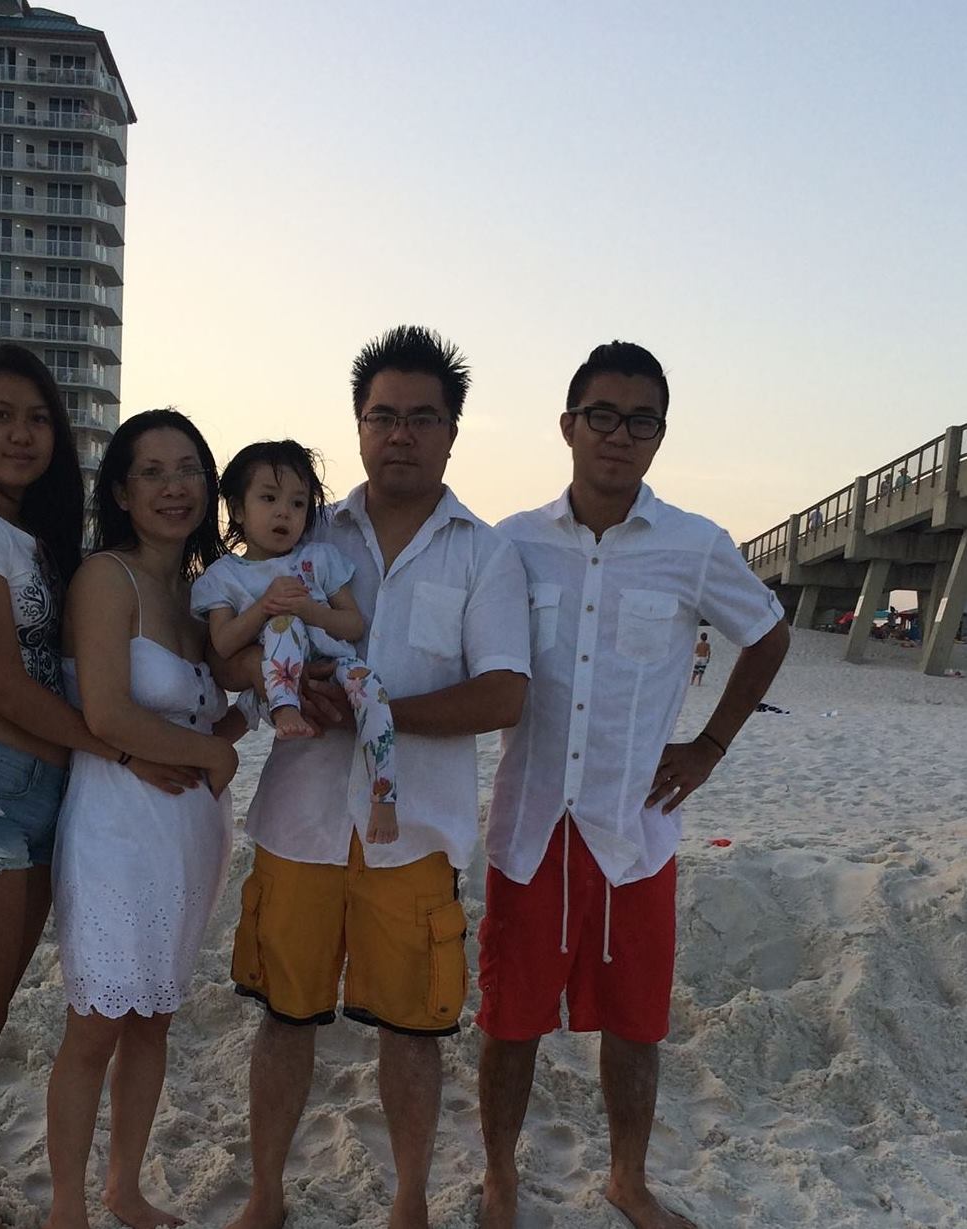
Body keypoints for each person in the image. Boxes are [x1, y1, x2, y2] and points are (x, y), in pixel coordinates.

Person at [222, 326, 531, 1229]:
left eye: (422, 417)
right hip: (300, 818)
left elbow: (504, 692)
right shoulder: (304, 529)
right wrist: (279, 683)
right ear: (357, 425)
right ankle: (266, 1196)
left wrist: (375, 707)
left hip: (417, 830)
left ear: (451, 433)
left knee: (413, 1030)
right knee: (283, 1016)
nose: (401, 433)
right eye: (383, 415)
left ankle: (407, 1204)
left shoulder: (484, 552)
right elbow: (230, 642)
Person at [477, 342, 790, 1229]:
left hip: (634, 831)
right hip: (529, 826)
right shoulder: (511, 543)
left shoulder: (694, 546)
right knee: (508, 1019)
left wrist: (709, 745)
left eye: (640, 420)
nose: (619, 434)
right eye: (602, 415)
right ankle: (499, 1179)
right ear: (568, 425)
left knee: (636, 1022)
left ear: (658, 435)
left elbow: (767, 633)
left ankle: (627, 1179)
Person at [0, 344, 165, 1229]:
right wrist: (118, 749)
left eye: (37, 418)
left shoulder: (27, 534)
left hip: (41, 791)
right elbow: (3, 684)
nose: (22, 434)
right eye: (0, 416)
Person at [44, 410, 245, 1229]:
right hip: (117, 828)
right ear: (122, 492)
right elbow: (107, 711)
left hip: (189, 835)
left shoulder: (202, 596)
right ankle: (66, 1207)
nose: (174, 487)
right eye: (153, 472)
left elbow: (215, 712)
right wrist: (212, 755)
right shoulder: (107, 578)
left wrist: (236, 732)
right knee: (95, 1023)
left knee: (154, 1017)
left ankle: (123, 1187)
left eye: (188, 468)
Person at [192, 438, 399, 844]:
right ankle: (281, 710)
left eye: (298, 503)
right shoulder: (224, 577)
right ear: (237, 509)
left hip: (332, 662)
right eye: (269, 498)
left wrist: (309, 610)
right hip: (273, 678)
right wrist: (265, 607)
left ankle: (384, 797)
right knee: (281, 626)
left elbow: (353, 625)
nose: (284, 512)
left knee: (374, 692)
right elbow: (224, 643)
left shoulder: (318, 559)